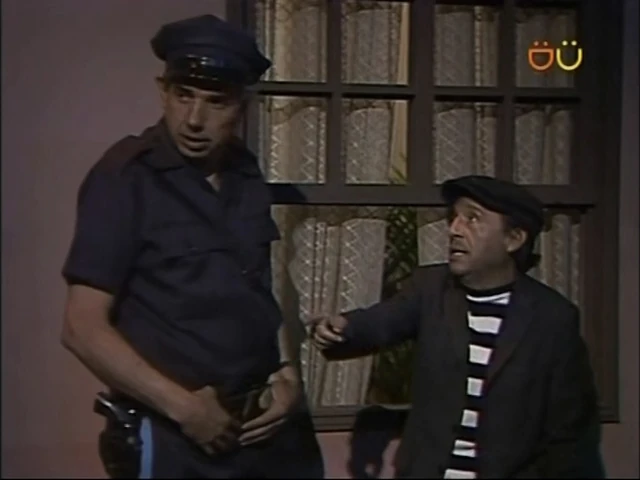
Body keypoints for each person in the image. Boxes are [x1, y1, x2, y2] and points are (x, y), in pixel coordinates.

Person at [61, 14, 323, 479]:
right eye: (184, 96)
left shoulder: (244, 171)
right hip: (177, 440)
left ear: (242, 106)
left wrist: (287, 373)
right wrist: (183, 408)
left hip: (266, 434)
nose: (195, 120)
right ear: (163, 92)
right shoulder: (125, 178)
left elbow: (263, 284)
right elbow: (82, 327)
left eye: (216, 102)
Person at [311, 175, 605, 479]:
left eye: (472, 218)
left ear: (514, 239)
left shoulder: (552, 318)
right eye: (454, 217)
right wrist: (343, 328)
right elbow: (382, 321)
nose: (454, 229)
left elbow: (571, 431)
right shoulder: (430, 289)